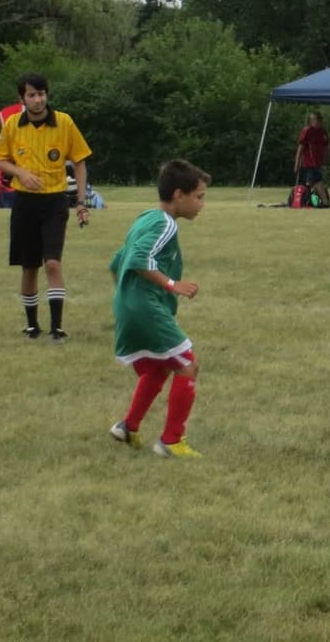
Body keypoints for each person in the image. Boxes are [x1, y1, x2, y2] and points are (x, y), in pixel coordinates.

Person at [108, 160, 210, 458]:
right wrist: (170, 285)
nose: (202, 204)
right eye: (199, 196)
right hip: (146, 306)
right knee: (187, 365)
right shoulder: (165, 223)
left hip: (130, 305)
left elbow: (117, 262)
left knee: (157, 368)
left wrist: (126, 299)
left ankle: (128, 426)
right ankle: (171, 441)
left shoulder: (145, 218)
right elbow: (139, 258)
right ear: (179, 195)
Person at [0, 72, 92, 342]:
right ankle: (32, 326)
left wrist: (81, 202)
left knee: (53, 263)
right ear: (22, 98)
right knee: (29, 266)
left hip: (55, 201)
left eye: (42, 94)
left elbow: (80, 162)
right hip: (24, 203)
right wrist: (20, 173)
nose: (38, 100)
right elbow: (1, 160)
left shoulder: (64, 122)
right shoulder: (13, 125)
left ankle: (57, 327)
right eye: (32, 95)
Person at [294, 111, 330, 207]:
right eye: (315, 120)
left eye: (319, 120)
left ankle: (312, 200)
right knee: (316, 181)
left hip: (318, 162)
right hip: (308, 162)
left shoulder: (323, 132)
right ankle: (324, 201)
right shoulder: (307, 131)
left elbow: (327, 147)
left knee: (312, 183)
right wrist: (297, 163)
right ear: (311, 121)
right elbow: (301, 148)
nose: (317, 122)